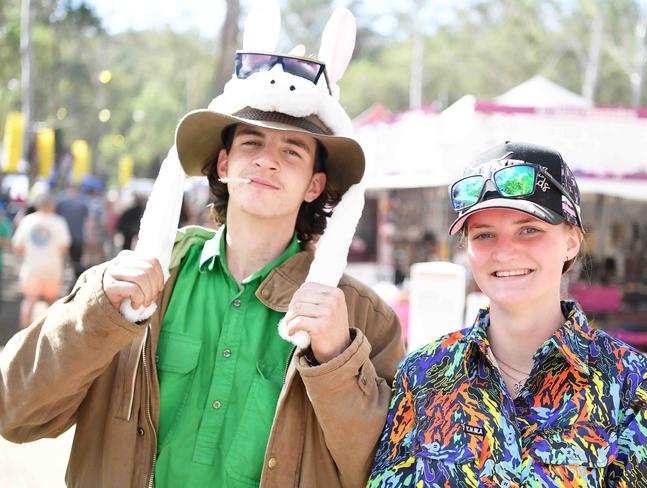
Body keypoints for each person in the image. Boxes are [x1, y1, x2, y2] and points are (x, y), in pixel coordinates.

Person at [0, 5, 405, 488]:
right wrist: (97, 311)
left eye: (292, 150)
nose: (267, 162)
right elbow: (14, 411)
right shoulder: (134, 279)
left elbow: (387, 470)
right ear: (222, 162)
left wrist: (338, 360)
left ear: (316, 185)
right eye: (251, 143)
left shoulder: (363, 321)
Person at [369, 141, 647, 486]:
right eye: (485, 234)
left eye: (529, 230)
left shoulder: (632, 385)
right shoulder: (423, 374)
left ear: (572, 241)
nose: (504, 253)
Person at [11, 193, 71, 328]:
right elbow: (64, 247)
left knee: (29, 301)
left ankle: (23, 336)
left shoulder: (27, 220)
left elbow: (18, 247)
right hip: (53, 267)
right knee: (52, 303)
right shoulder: (59, 221)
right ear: (53, 206)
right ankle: (51, 333)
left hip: (32, 267)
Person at [56, 184, 89, 281]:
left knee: (62, 260)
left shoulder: (61, 202)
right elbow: (87, 221)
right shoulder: (83, 203)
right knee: (76, 262)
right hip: (77, 236)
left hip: (63, 237)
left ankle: (60, 279)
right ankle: (76, 282)